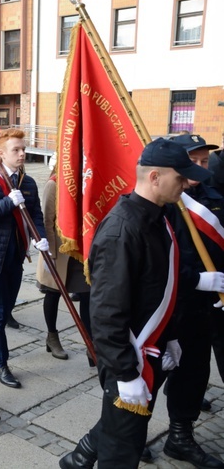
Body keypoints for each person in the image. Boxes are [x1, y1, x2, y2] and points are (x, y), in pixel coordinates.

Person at [59, 138, 219, 468]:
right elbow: (106, 313)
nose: (188, 183)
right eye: (181, 176)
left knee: (127, 438)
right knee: (121, 454)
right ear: (155, 177)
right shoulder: (123, 229)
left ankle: (78, 458)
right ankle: (81, 457)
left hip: (152, 350)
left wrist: (172, 336)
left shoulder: (159, 217)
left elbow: (162, 285)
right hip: (129, 360)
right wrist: (124, 373)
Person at [161, 134, 224, 468]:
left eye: (204, 161)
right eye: (194, 162)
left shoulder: (212, 195)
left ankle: (179, 436)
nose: (201, 168)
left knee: (195, 373)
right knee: (151, 376)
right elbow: (159, 261)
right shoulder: (165, 202)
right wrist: (197, 278)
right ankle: (128, 434)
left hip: (205, 307)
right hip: (169, 305)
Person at [0, 128, 47, 389]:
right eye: (16, 149)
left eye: (23, 149)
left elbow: (36, 213)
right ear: (1, 153)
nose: (22, 153)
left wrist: (40, 236)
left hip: (17, 253)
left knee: (6, 307)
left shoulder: (28, 182)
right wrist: (7, 203)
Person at [36, 161, 91, 361]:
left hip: (80, 251)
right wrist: (50, 254)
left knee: (87, 296)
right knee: (53, 294)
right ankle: (52, 337)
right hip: (59, 252)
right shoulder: (54, 184)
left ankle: (90, 344)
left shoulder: (86, 182)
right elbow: (46, 221)